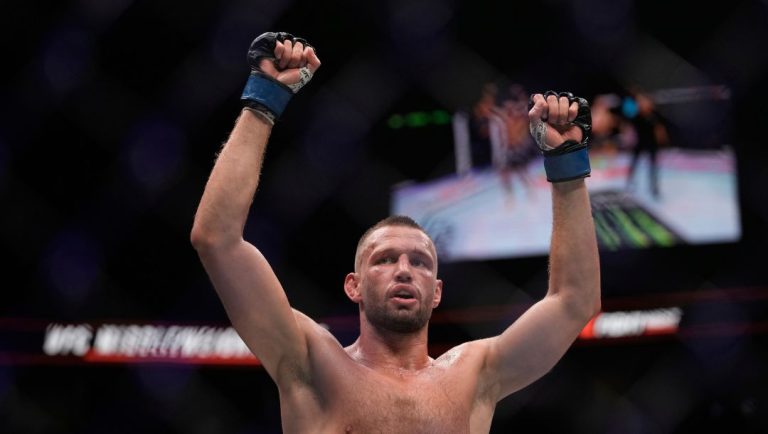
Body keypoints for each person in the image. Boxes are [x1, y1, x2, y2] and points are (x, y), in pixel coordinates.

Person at [191, 32, 601, 433]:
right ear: (353, 285)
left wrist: (567, 167)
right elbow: (217, 238)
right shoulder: (310, 361)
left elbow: (574, 302)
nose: (404, 270)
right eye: (384, 259)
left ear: (437, 291)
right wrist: (263, 100)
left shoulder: (475, 376)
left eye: (420, 262)